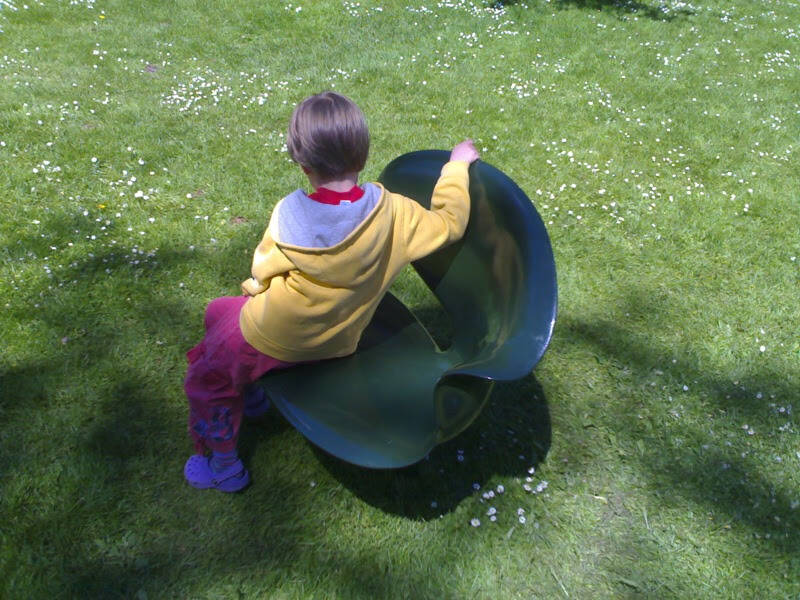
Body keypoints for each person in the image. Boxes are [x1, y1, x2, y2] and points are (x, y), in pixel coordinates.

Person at [183, 91, 480, 492]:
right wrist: (457, 168)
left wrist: (257, 288)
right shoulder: (395, 212)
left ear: (302, 164)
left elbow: (262, 274)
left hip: (274, 335)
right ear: (361, 155)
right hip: (337, 340)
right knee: (218, 310)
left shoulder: (291, 215)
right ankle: (252, 397)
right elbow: (450, 223)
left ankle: (222, 464)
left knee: (206, 379)